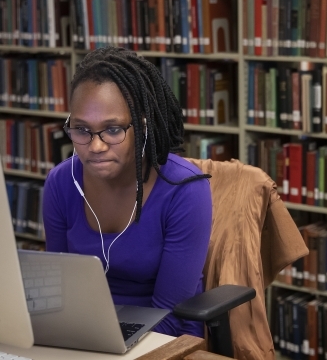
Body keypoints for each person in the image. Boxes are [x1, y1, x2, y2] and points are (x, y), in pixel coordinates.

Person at [42, 47, 213, 338]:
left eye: (112, 129)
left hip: (164, 336)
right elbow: (61, 293)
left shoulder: (185, 190)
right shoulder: (61, 182)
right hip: (85, 333)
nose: (95, 146)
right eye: (82, 129)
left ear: (142, 126)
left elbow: (170, 316)